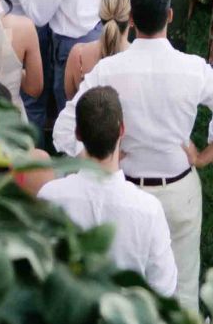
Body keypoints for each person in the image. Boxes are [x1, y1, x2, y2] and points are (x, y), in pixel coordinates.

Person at [53, 0, 213, 305]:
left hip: (125, 189)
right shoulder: (193, 67)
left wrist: (100, 156)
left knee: (126, 286)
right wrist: (205, 157)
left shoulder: (108, 70)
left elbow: (62, 132)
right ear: (170, 16)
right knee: (184, 286)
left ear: (132, 19)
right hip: (178, 189)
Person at [27, 85, 177, 298]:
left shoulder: (50, 196)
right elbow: (164, 287)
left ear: (78, 133)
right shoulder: (149, 210)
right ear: (122, 130)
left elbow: (35, 271)